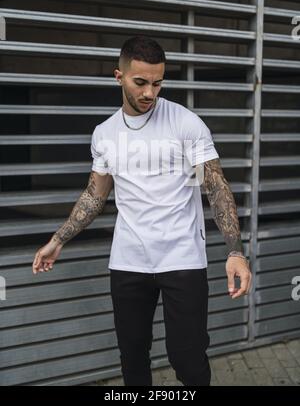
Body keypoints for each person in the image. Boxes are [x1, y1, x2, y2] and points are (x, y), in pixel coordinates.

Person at [32, 35, 252, 386]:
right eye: (141, 82)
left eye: (158, 82)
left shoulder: (185, 124)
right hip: (128, 260)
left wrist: (235, 251)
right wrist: (58, 239)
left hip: (182, 258)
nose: (150, 92)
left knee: (188, 358)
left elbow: (215, 186)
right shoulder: (104, 134)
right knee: (133, 357)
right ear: (118, 76)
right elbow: (95, 194)